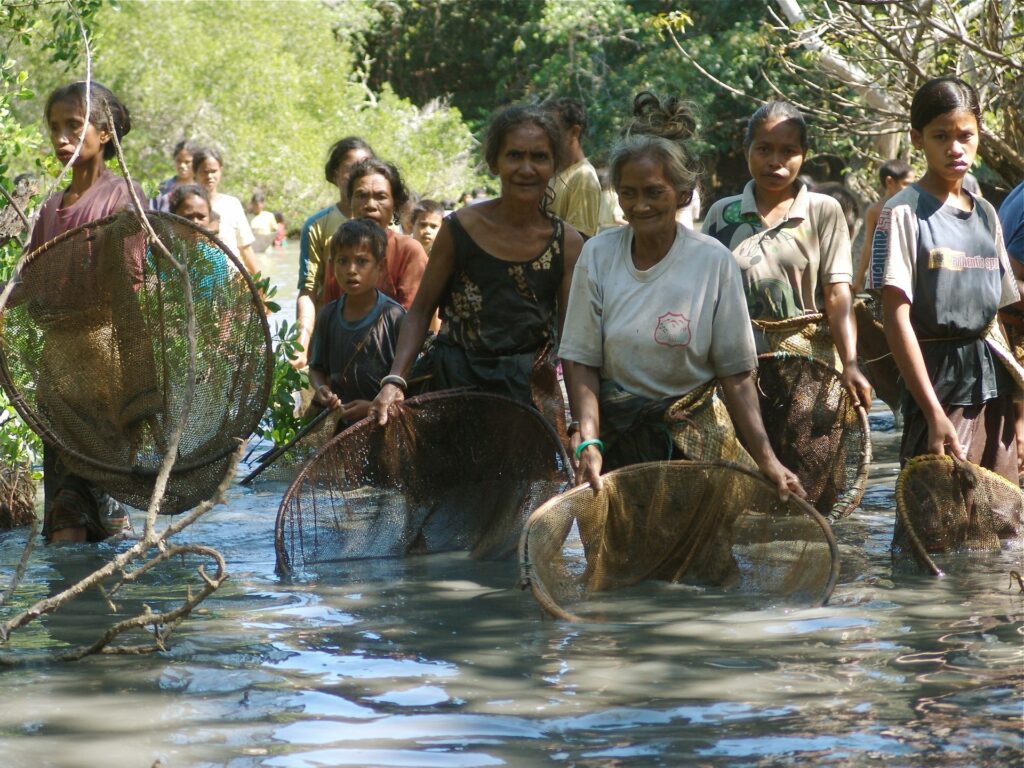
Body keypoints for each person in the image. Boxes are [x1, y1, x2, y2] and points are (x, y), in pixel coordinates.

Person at [557, 92, 804, 498]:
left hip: (696, 441)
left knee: (705, 556)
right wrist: (589, 442)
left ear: (683, 195)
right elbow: (581, 360)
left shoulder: (712, 262)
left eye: (654, 192)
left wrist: (766, 457)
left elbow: (736, 374)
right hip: (618, 444)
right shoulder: (598, 255)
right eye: (629, 193)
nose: (640, 205)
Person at [368, 103, 584, 419]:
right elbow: (421, 310)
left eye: (539, 157)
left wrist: (581, 424)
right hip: (453, 382)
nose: (526, 168)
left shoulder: (566, 242)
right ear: (494, 163)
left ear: (555, 165)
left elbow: (572, 341)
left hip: (526, 393)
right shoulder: (461, 228)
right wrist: (395, 379)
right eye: (515, 155)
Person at [878, 76, 1022, 492]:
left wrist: (1018, 412)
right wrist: (931, 410)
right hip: (937, 386)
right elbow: (895, 317)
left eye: (965, 136)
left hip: (991, 384)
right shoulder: (903, 212)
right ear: (917, 139)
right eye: (941, 136)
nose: (955, 148)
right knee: (936, 521)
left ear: (979, 136)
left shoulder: (986, 215)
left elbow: (1000, 318)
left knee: (1002, 525)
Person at [27, 80, 145, 543]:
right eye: (55, 128)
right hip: (57, 373)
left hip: (104, 369)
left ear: (104, 132)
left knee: (88, 506)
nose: (61, 138)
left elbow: (132, 290)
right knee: (65, 500)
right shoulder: (49, 208)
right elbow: (32, 282)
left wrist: (139, 386)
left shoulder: (122, 198)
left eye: (74, 126)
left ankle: (106, 602)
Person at [702, 100, 871, 408]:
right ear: (747, 150)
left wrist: (850, 363)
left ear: (803, 155)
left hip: (810, 369)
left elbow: (837, 293)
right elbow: (704, 297)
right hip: (738, 371)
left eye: (788, 151)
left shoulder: (822, 211)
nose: (775, 161)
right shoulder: (722, 214)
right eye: (764, 149)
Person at [309, 219, 405, 427]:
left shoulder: (394, 316)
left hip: (385, 421)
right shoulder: (328, 315)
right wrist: (321, 390)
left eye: (362, 261)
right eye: (342, 261)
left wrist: (372, 406)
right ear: (332, 265)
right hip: (340, 423)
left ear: (380, 267)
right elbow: (316, 369)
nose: (351, 270)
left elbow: (409, 383)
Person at [293, 137, 375, 370]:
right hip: (329, 336)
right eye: (350, 168)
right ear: (335, 174)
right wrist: (302, 341)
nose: (358, 174)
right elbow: (308, 290)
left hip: (374, 335)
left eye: (365, 166)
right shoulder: (318, 225)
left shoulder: (385, 223)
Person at [317, 158, 428, 312]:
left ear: (394, 203)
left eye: (381, 197)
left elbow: (414, 318)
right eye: (361, 196)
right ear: (350, 202)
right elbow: (331, 313)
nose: (370, 205)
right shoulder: (339, 248)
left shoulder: (409, 251)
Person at [191, 147, 259, 277]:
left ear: (220, 171)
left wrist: (260, 286)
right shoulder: (187, 205)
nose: (210, 176)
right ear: (195, 173)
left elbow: (245, 247)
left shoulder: (232, 204)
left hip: (232, 279)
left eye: (214, 171)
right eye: (205, 172)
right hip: (198, 279)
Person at [542, 97, 603, 239]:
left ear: (574, 132)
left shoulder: (583, 177)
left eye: (553, 130)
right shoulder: (552, 172)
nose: (546, 137)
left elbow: (581, 241)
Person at [853, 159, 915, 291]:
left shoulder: (913, 208)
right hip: (884, 276)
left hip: (910, 274)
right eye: (906, 184)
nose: (911, 188)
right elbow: (868, 245)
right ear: (889, 182)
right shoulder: (875, 211)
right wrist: (858, 280)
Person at [151, 139, 198, 211]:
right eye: (179, 161)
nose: (182, 165)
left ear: (195, 162)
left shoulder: (201, 187)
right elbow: (151, 211)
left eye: (187, 162)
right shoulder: (163, 187)